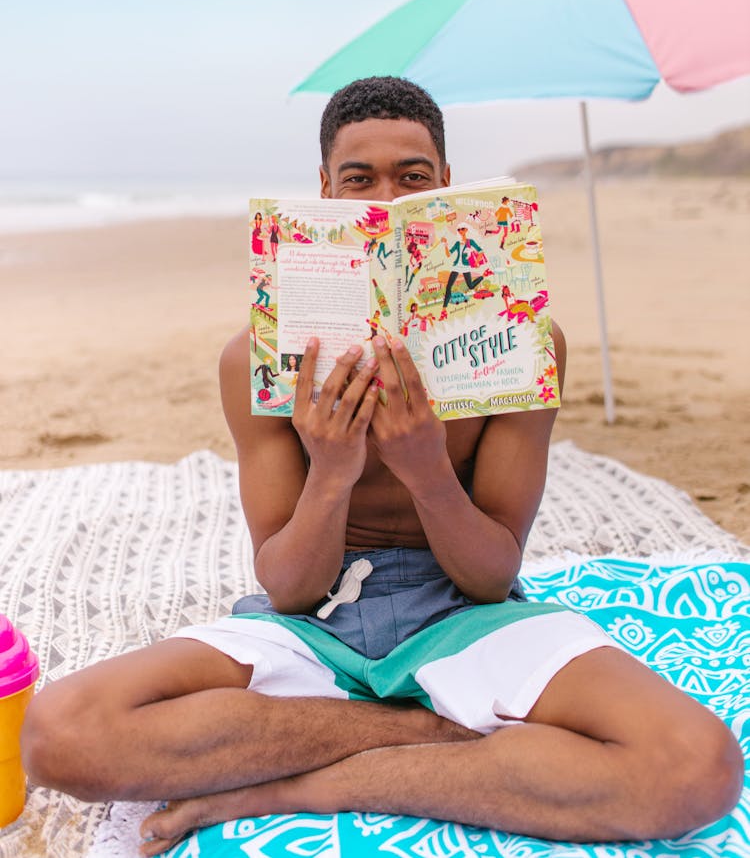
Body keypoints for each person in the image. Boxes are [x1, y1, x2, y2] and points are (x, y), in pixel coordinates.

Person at [21, 77, 743, 856]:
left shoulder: (526, 342)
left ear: (446, 188)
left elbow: (491, 577)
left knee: (695, 766)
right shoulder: (255, 359)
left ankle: (303, 781)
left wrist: (427, 469)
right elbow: (288, 585)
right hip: (314, 625)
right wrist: (332, 472)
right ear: (325, 193)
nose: (387, 195)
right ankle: (427, 732)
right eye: (360, 179)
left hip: (462, 615)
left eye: (414, 176)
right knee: (62, 734)